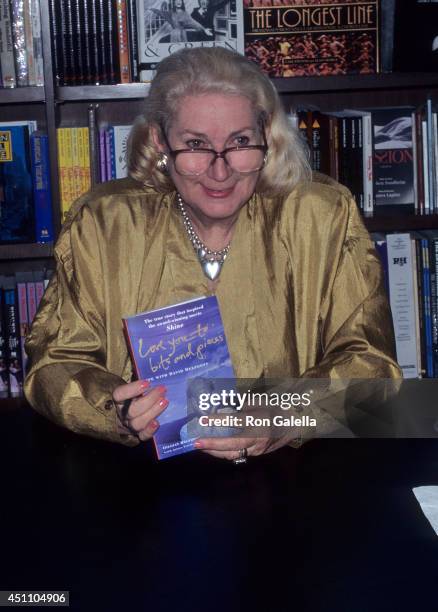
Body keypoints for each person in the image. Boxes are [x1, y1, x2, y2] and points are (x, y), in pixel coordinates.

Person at [24, 47, 400, 462]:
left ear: (267, 137)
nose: (220, 172)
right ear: (160, 141)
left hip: (297, 475)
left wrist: (288, 412)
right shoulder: (104, 222)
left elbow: (372, 364)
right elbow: (54, 364)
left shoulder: (321, 215)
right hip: (138, 484)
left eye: (240, 142)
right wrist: (114, 408)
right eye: (196, 145)